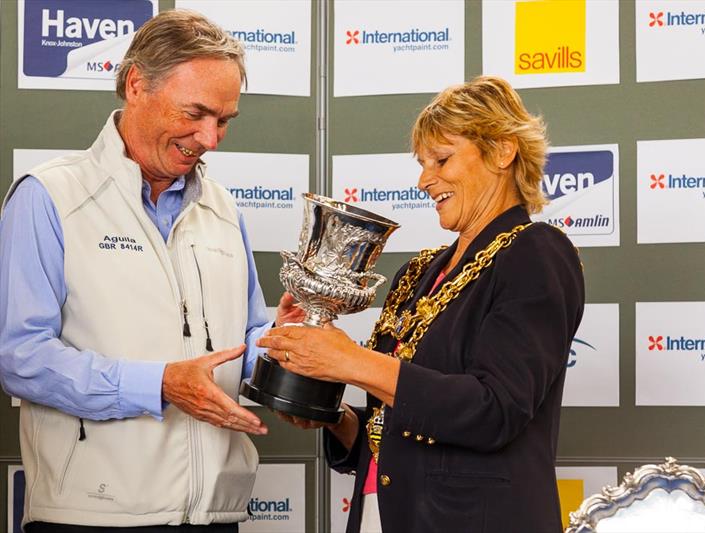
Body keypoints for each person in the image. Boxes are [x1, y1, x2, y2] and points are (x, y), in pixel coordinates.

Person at [0, 10, 303, 532]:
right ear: (136, 84)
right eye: (196, 113)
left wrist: (280, 345)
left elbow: (245, 337)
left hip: (214, 514)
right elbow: (20, 357)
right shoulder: (49, 196)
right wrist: (158, 384)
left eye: (225, 119)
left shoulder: (225, 209)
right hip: (92, 515)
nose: (211, 138)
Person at [259, 75, 585, 532]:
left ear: (503, 151)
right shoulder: (419, 271)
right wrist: (329, 412)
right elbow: (389, 434)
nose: (424, 179)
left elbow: (495, 409)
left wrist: (351, 361)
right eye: (422, 163)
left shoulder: (535, 251)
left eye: (441, 159)